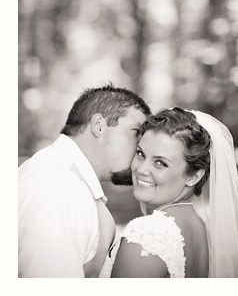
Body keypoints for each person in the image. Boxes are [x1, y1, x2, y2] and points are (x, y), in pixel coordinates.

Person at [102, 107, 238, 278]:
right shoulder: (200, 227)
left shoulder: (148, 234)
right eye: (140, 154)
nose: (141, 169)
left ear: (193, 176)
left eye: (160, 163)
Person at [18, 85, 152, 277]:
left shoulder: (64, 178)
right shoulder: (58, 188)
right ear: (99, 126)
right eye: (136, 132)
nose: (141, 147)